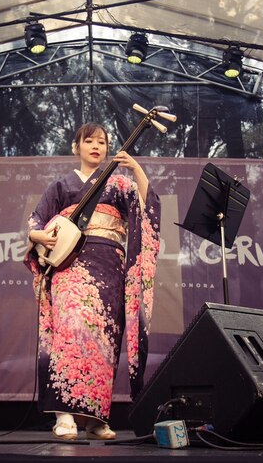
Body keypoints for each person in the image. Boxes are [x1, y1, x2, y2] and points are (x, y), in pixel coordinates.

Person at [24, 122, 161, 440]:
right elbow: (36, 222)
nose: (96, 146)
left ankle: (95, 418)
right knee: (69, 332)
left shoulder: (120, 183)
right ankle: (64, 415)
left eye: (102, 141)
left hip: (109, 269)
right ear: (77, 147)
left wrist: (137, 170)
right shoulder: (61, 185)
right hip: (70, 267)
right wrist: (39, 235)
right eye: (89, 141)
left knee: (104, 341)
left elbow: (146, 207)